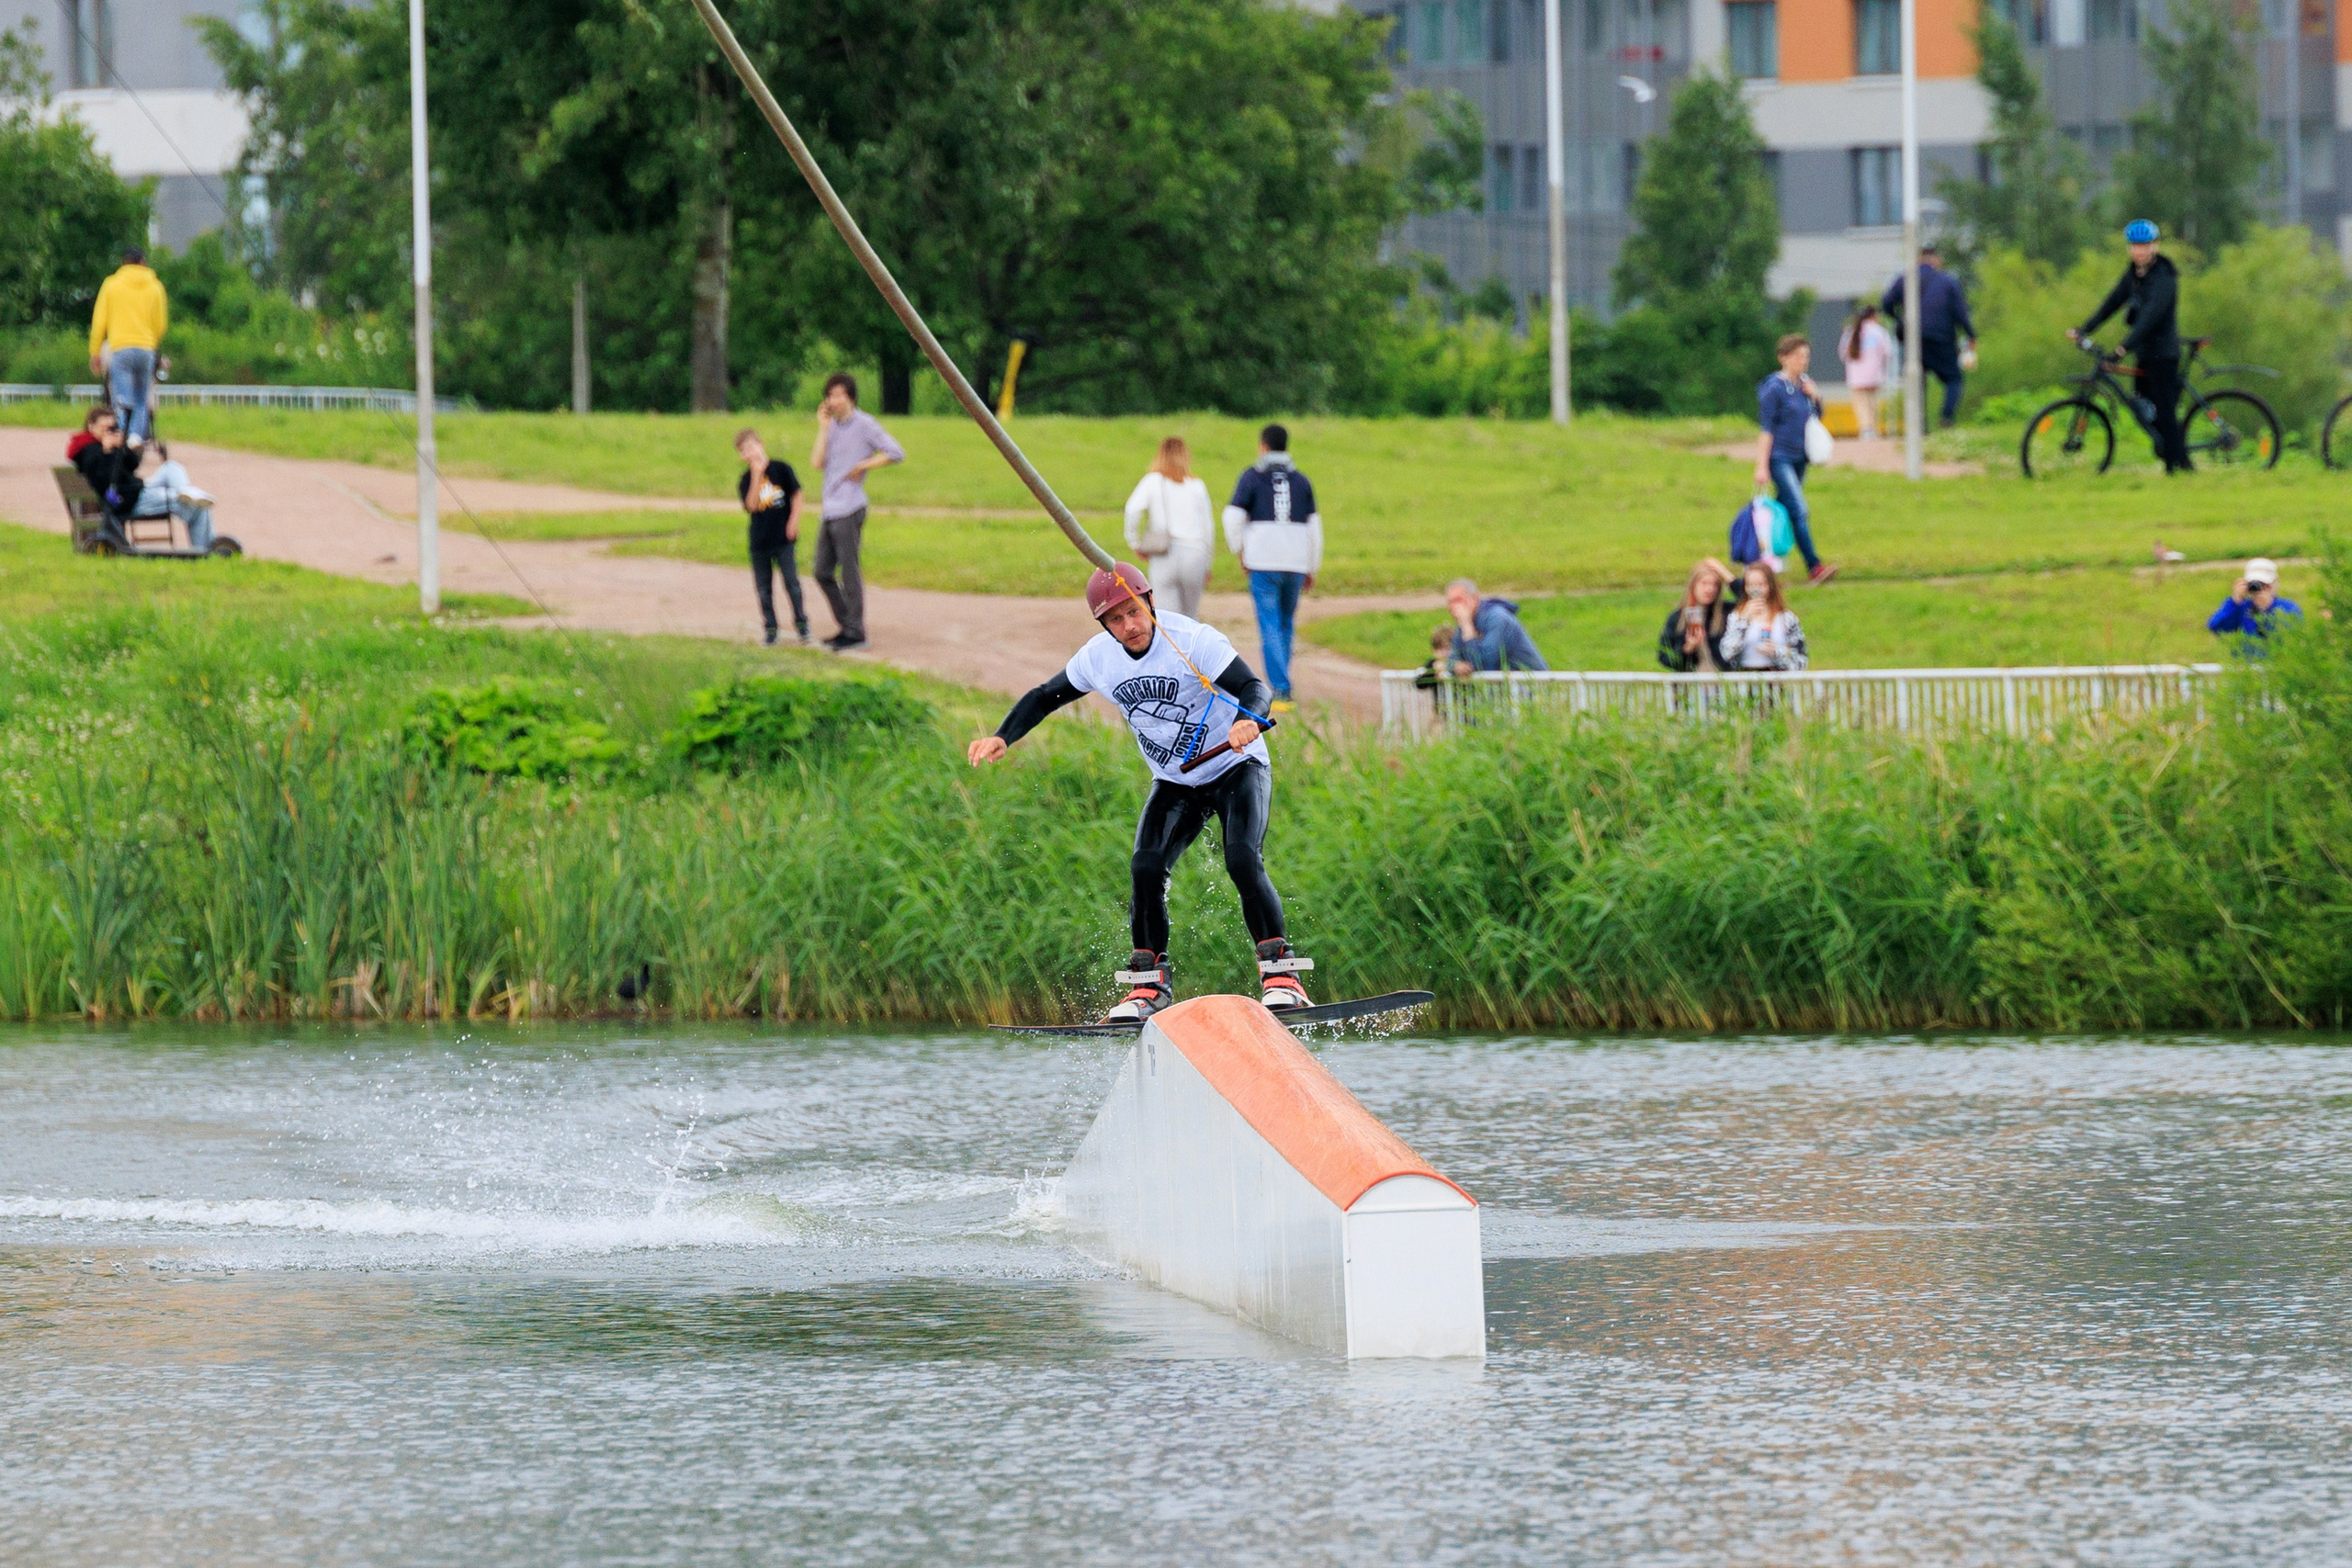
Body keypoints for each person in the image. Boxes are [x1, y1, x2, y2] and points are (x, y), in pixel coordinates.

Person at [967, 562, 1309, 1023]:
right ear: (1103, 625)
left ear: (1149, 603)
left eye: (1134, 612)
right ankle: (1148, 985)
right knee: (1146, 867)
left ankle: (1282, 977)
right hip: (1176, 779)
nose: (1129, 626)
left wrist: (1248, 718)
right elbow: (1045, 695)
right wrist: (1003, 736)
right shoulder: (1097, 658)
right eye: (1115, 619)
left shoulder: (1191, 641)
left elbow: (1254, 686)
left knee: (1242, 858)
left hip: (1235, 765)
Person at [2072, 220, 2190, 474]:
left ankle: (2178, 466)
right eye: (2135, 246)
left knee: (2164, 409)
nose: (2140, 251)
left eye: (2145, 246)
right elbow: (2112, 303)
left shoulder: (2164, 277)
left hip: (2164, 355)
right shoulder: (2135, 275)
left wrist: (2122, 348)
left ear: (2155, 246)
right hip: (2145, 354)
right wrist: (2085, 329)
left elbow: (2149, 318)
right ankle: (2174, 452)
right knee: (2143, 407)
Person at [1223, 423, 1323, 712]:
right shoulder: (1302, 481)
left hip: (1263, 563)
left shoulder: (1252, 477)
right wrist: (1311, 567)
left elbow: (1232, 517)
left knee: (1269, 624)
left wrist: (1239, 549)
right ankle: (1282, 679)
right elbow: (1315, 528)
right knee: (1285, 623)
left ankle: (1281, 689)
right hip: (1295, 563)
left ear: (1263, 446)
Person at [809, 372, 905, 651]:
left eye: (839, 395)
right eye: (830, 395)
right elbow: (816, 463)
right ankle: (847, 624)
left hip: (851, 506)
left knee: (848, 571)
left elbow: (896, 452)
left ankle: (855, 632)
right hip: (830, 507)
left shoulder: (865, 425)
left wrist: (864, 466)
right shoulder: (831, 427)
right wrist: (823, 427)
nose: (833, 400)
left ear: (850, 397)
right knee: (821, 570)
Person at [1753, 333, 1839, 587]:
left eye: (1806, 356)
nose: (1803, 361)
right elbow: (1766, 429)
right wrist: (1761, 465)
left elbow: (1817, 416)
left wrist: (1816, 396)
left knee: (1782, 512)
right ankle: (1814, 566)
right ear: (1784, 358)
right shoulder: (1774, 388)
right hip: (1780, 457)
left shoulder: (1805, 385)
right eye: (1798, 356)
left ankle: (1759, 561)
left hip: (1800, 457)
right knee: (1799, 510)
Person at [1881, 242, 1975, 430]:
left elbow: (1886, 303)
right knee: (1954, 379)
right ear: (1937, 260)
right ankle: (1946, 418)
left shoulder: (1905, 279)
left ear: (1918, 259)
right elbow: (1960, 312)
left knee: (1917, 382)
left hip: (1914, 339)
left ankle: (1920, 427)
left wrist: (1900, 319)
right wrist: (1971, 335)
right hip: (1942, 338)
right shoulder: (1948, 282)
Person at [1123, 436, 1216, 617]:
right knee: (1190, 617)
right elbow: (1208, 528)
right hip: (1194, 553)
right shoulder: (1196, 485)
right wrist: (1208, 563)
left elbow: (1132, 509)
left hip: (1164, 554)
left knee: (1167, 617)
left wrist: (1134, 541)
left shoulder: (1152, 481)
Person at [735, 427, 809, 646]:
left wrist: (794, 521)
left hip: (783, 538)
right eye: (744, 451)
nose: (749, 453)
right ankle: (770, 627)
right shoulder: (746, 479)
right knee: (764, 588)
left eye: (751, 447)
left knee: (791, 582)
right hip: (760, 540)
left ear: (761, 444)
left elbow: (797, 495)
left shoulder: (781, 469)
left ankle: (802, 622)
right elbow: (752, 505)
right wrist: (757, 475)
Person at [89, 246, 168, 444]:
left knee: (121, 399)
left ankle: (119, 438)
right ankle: (135, 438)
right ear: (143, 262)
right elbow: (161, 323)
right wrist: (151, 341)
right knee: (142, 399)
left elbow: (99, 322)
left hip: (120, 348)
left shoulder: (112, 285)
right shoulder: (155, 286)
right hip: (145, 349)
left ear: (123, 262)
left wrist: (95, 352)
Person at [1721, 561, 1809, 671]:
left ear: (1770, 586)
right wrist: (1743, 622)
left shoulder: (1786, 618)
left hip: (1778, 681)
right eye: (1750, 585)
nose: (1755, 590)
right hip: (1745, 679)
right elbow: (1727, 654)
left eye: (1761, 585)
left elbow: (1801, 662)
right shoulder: (1736, 617)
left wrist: (1777, 652)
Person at [1443, 578, 1548, 671]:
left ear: (1474, 599)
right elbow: (1453, 659)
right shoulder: (1465, 624)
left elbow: (1485, 664)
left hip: (1531, 685)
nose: (1454, 607)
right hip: (1503, 689)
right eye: (1450, 602)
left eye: (1459, 600)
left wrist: (1467, 628)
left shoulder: (1498, 619)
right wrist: (1456, 666)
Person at [131, 439, 216, 551]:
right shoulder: (102, 452)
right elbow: (111, 488)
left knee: (171, 467)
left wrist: (128, 450)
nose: (113, 432)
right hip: (132, 497)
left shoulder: (109, 447)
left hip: (140, 487)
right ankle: (204, 551)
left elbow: (131, 465)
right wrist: (111, 452)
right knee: (198, 505)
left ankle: (187, 492)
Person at [1657, 558, 1738, 673]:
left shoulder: (1727, 612)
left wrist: (1728, 576)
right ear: (1693, 585)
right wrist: (1688, 648)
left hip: (1723, 681)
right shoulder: (1677, 618)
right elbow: (1664, 656)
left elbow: (1753, 600)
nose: (1710, 589)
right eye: (1704, 583)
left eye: (1715, 584)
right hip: (1689, 685)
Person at [2207, 558, 2301, 650]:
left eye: (2264, 584)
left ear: (2273, 585)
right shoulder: (2241, 607)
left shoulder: (2288, 608)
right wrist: (2235, 601)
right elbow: (2216, 628)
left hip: (2278, 660)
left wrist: (2267, 608)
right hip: (2246, 662)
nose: (2259, 588)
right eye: (2254, 584)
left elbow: (2291, 635)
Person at [70, 407, 141, 526]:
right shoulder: (90, 450)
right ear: (91, 427)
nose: (108, 432)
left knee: (171, 469)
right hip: (122, 500)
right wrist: (106, 452)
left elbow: (133, 465)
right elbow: (103, 480)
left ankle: (184, 493)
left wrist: (123, 448)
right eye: (104, 428)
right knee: (176, 496)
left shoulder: (102, 447)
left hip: (129, 493)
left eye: (112, 428)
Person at [1838, 304, 1892, 440]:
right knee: (1872, 402)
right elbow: (1887, 352)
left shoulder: (1851, 331)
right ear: (1874, 316)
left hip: (1856, 375)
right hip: (1874, 374)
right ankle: (1872, 428)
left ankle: (1866, 428)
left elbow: (1843, 354)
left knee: (1860, 403)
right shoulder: (1878, 331)